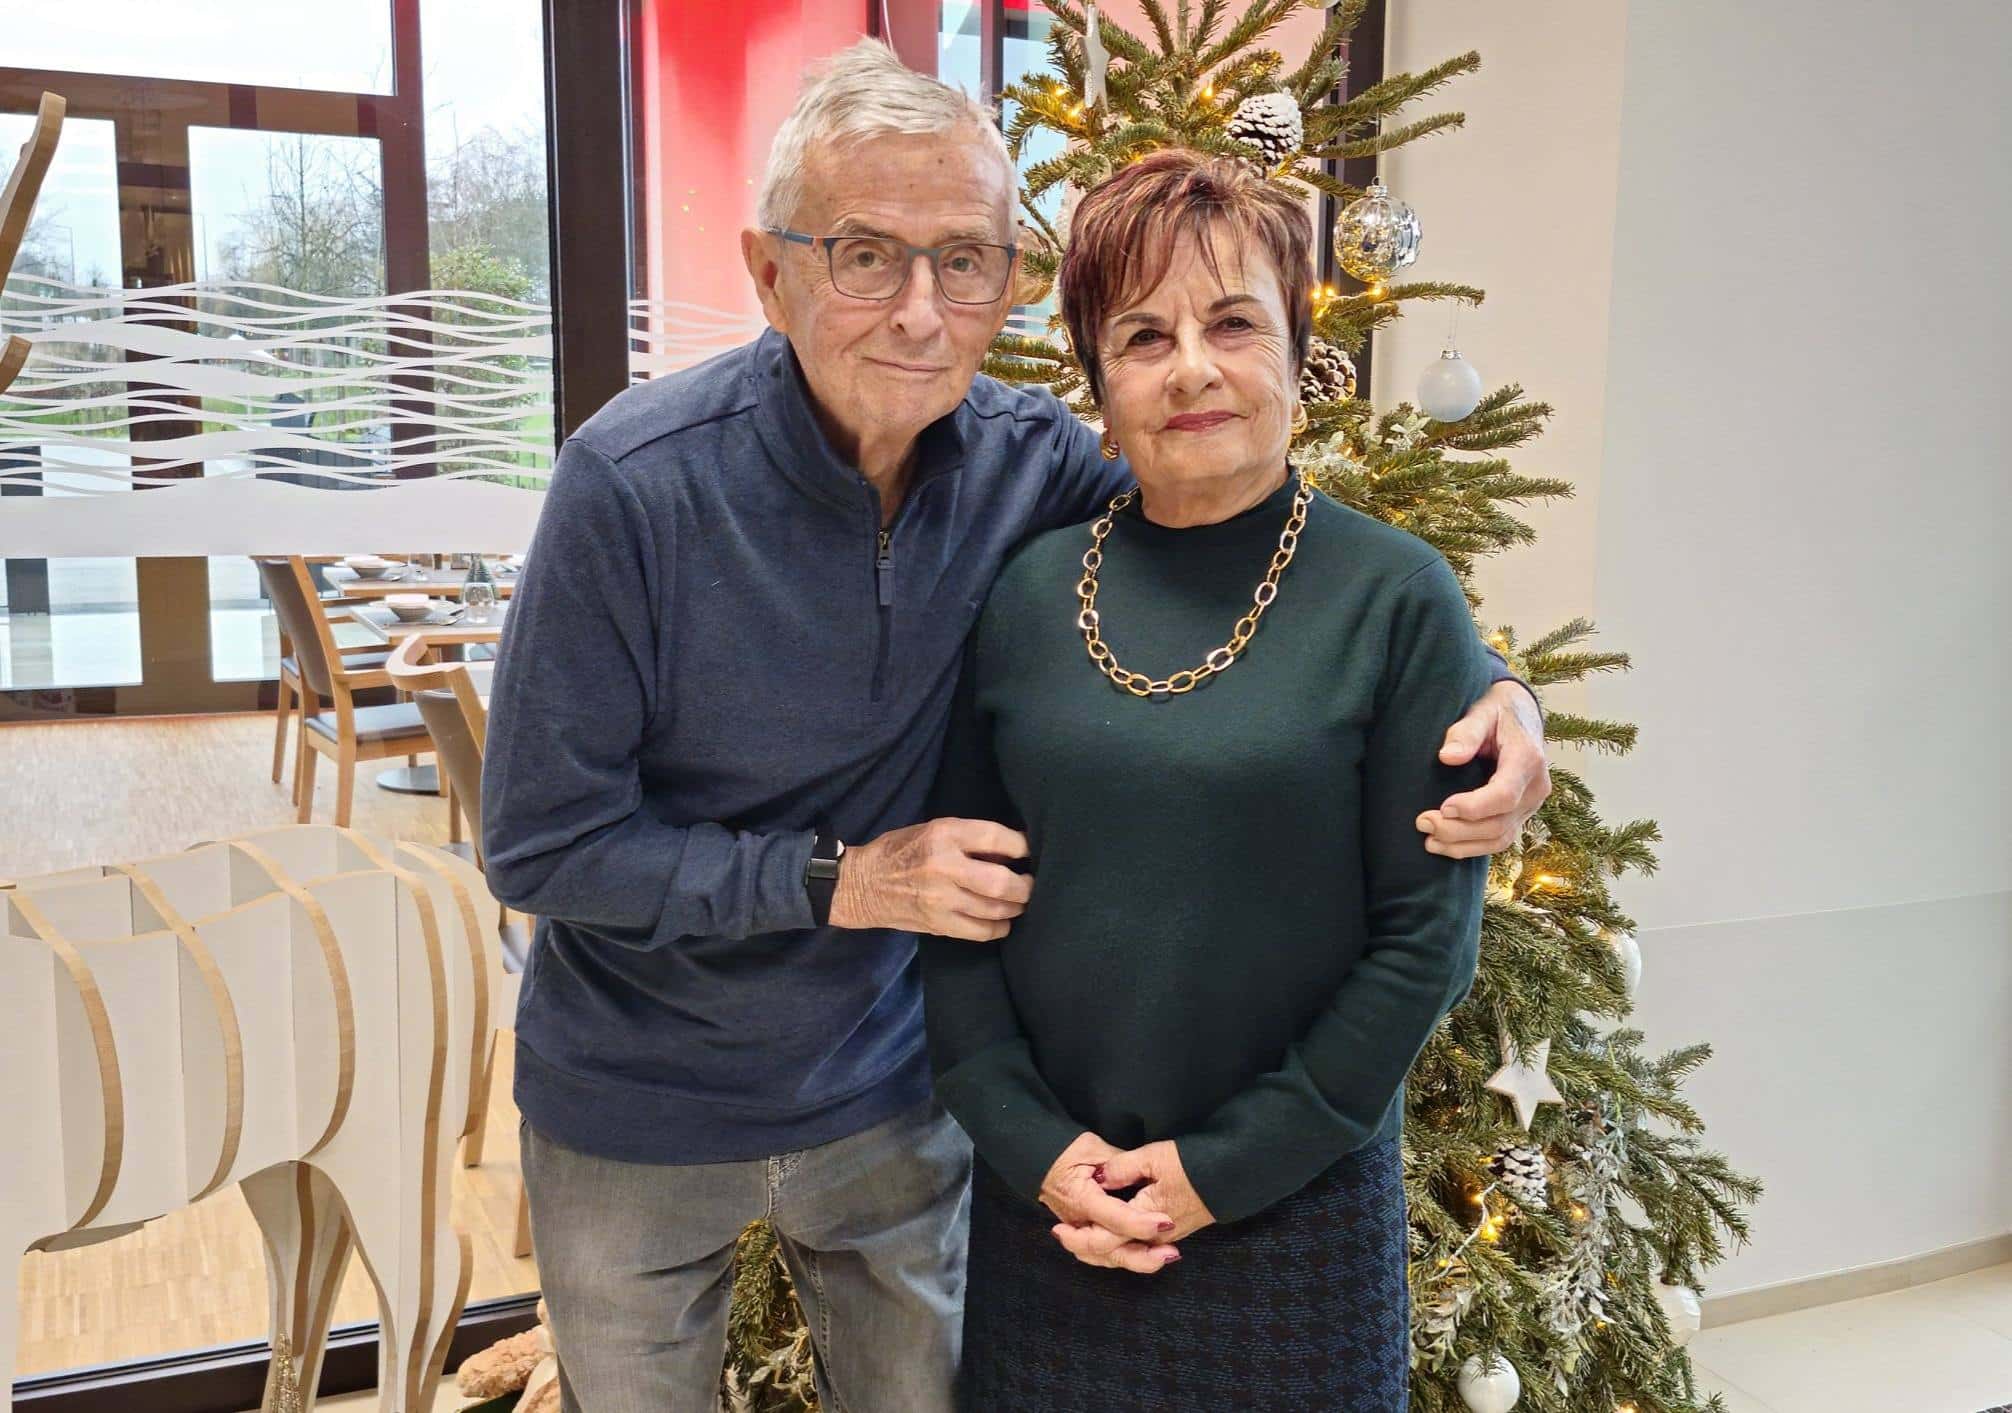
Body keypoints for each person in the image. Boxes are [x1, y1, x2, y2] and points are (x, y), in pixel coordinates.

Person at [482, 42, 1548, 1413]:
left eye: (965, 260)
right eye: (865, 255)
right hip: (642, 1103)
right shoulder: (632, 487)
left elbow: (1261, 545)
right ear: (769, 272)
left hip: (887, 1102)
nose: (920, 312)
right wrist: (844, 879)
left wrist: (1498, 690)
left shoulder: (1027, 466)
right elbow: (541, 845)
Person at [922, 148, 1497, 1412]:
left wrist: (1221, 1170)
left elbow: (1423, 945)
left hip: (1296, 1213)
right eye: (1143, 336)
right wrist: (1037, 1150)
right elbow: (958, 907)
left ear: (1296, 353)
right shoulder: (1024, 594)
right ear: (1098, 383)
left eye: (1232, 323)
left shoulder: (1396, 598)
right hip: (1052, 1214)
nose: (1190, 367)